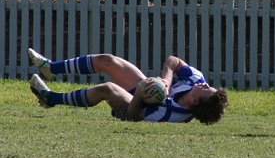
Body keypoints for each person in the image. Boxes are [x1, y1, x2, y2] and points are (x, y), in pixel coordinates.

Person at [28, 48, 228, 124]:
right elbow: (173, 60)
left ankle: (50, 98)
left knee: (107, 88)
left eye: (205, 89)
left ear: (195, 102)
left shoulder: (174, 114)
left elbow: (134, 116)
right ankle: (51, 68)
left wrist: (140, 94)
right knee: (109, 60)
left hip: (135, 106)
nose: (204, 84)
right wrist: (166, 81)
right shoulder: (196, 79)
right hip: (145, 91)